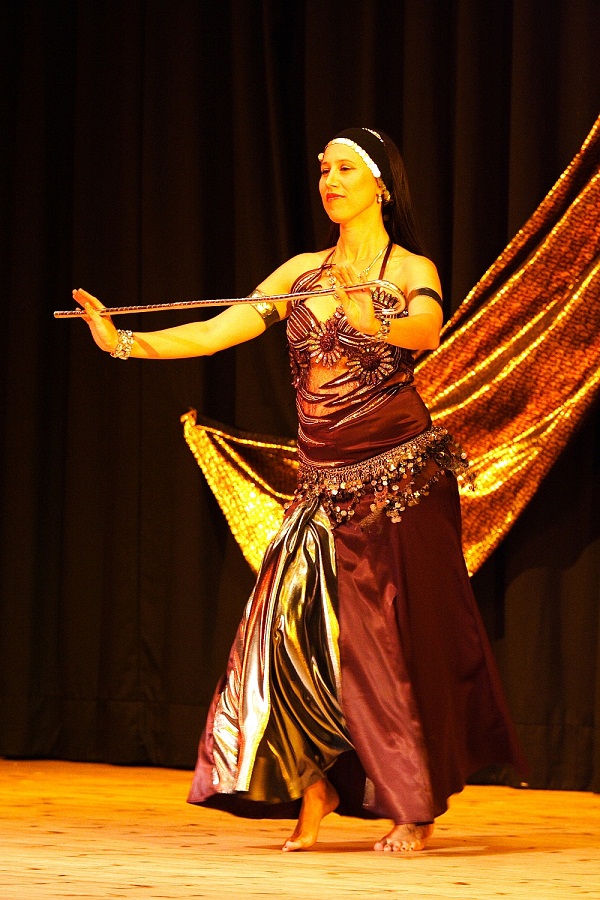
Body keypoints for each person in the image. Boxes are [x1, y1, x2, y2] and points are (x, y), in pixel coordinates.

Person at [74, 127, 524, 853]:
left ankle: (412, 806)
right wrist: (122, 340)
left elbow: (428, 327)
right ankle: (315, 782)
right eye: (323, 170)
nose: (330, 180)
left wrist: (374, 314)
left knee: (391, 646)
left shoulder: (408, 268)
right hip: (320, 482)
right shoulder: (300, 272)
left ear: (381, 185)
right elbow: (215, 332)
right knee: (284, 636)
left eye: (345, 169)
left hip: (398, 480)